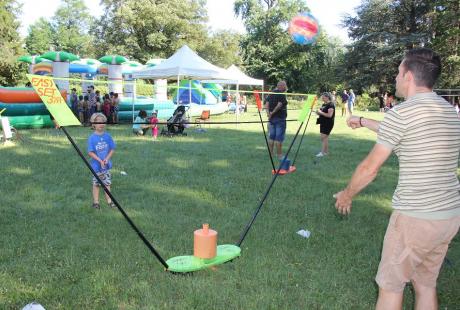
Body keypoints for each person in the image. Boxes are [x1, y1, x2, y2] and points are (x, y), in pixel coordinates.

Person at [334, 48, 460, 309]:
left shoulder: (402, 114)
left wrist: (347, 194)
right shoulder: (448, 112)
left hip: (416, 218)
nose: (395, 78)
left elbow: (370, 168)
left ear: (409, 76)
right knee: (425, 285)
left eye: (398, 72)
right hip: (449, 215)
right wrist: (364, 121)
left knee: (390, 287)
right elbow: (410, 134)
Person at [87, 113, 116, 209]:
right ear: (93, 124)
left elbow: (112, 149)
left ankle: (109, 201)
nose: (101, 124)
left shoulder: (108, 136)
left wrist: (107, 159)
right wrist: (100, 160)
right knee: (96, 184)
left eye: (103, 122)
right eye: (98, 122)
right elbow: (90, 152)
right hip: (96, 167)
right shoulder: (92, 138)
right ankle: (96, 202)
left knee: (107, 183)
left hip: (106, 166)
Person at [264, 80, 288, 160]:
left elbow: (266, 105)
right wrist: (272, 113)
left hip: (271, 119)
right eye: (285, 86)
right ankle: (280, 155)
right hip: (279, 119)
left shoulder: (271, 93)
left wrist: (269, 114)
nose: (286, 87)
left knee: (271, 137)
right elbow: (279, 105)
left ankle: (271, 154)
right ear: (281, 86)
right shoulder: (281, 94)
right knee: (278, 138)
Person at [315, 92, 335, 157]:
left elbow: (329, 115)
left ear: (327, 97)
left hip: (328, 123)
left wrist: (321, 112)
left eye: (323, 97)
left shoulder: (331, 105)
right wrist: (318, 112)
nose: (322, 99)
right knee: (324, 138)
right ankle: (326, 152)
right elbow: (322, 112)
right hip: (323, 122)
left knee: (323, 137)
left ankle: (322, 153)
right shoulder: (324, 104)